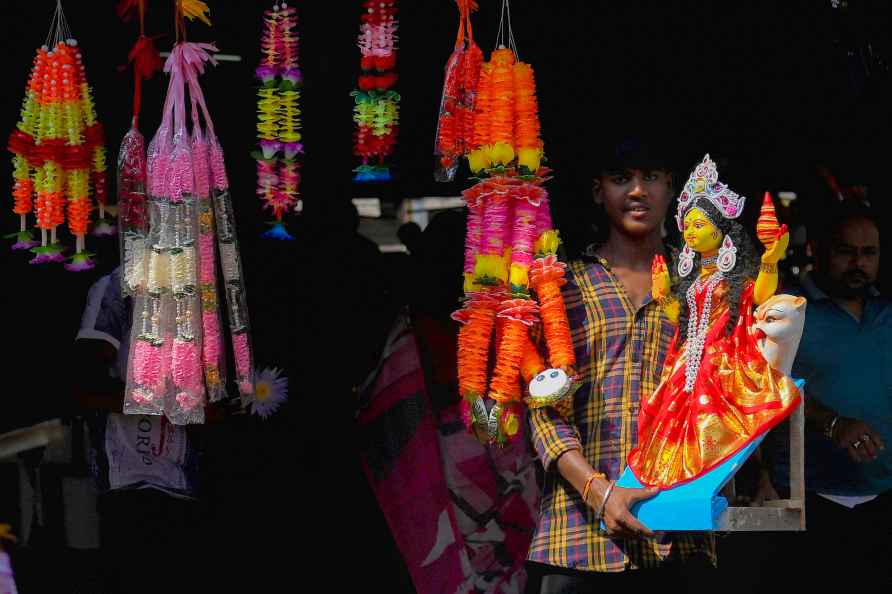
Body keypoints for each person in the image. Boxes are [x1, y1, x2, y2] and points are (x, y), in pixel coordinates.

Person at [525, 139, 715, 592]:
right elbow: (542, 408)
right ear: (597, 191)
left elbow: (718, 398)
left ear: (672, 188)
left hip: (676, 533)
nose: (636, 191)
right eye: (621, 179)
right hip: (576, 539)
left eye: (650, 178)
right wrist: (600, 492)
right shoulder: (561, 283)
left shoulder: (702, 289)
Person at [627, 154, 799, 488]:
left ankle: (707, 478)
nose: (691, 232)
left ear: (722, 229)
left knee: (710, 393)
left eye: (699, 225)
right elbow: (680, 318)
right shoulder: (691, 277)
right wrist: (663, 294)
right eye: (687, 225)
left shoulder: (732, 275)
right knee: (671, 409)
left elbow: (760, 296)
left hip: (722, 356)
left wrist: (770, 260)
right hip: (687, 359)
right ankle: (676, 481)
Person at [766, 203, 891, 587]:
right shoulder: (785, 312)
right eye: (845, 251)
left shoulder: (886, 311)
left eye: (868, 253)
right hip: (808, 501)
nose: (858, 263)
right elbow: (765, 383)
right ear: (816, 250)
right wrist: (832, 423)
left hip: (883, 497)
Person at [73, 267, 202, 594]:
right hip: (128, 477)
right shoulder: (118, 287)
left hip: (181, 479)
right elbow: (87, 390)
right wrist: (176, 406)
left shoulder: (204, 289)